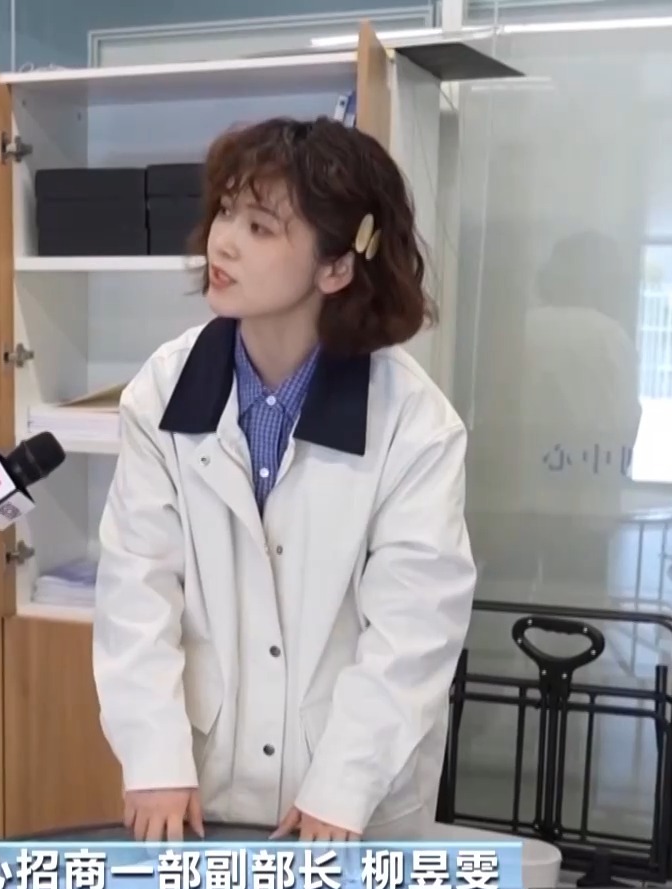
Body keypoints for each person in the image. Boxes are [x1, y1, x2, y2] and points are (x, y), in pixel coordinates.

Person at [92, 118, 477, 842]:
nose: (222, 243)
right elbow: (136, 591)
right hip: (200, 788)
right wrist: (153, 757)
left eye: (260, 227)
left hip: (350, 804)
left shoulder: (413, 422)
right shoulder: (162, 392)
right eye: (225, 212)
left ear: (336, 268)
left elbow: (414, 629)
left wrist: (344, 787)